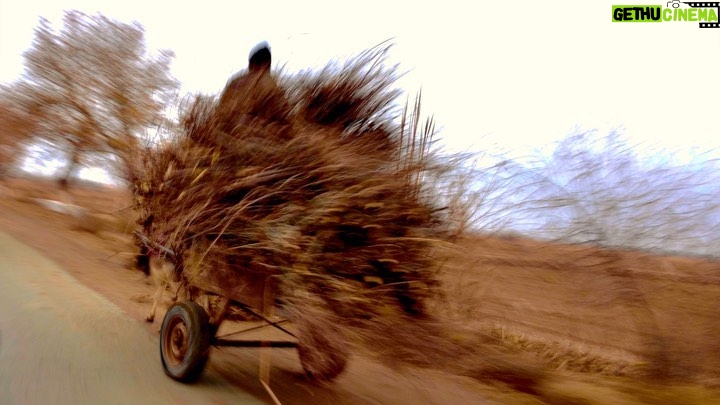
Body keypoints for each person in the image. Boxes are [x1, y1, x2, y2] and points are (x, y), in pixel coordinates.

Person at [215, 41, 292, 135]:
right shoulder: (269, 84)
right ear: (267, 64)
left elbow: (219, 115)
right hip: (257, 140)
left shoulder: (234, 82)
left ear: (250, 64)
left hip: (226, 136)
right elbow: (287, 118)